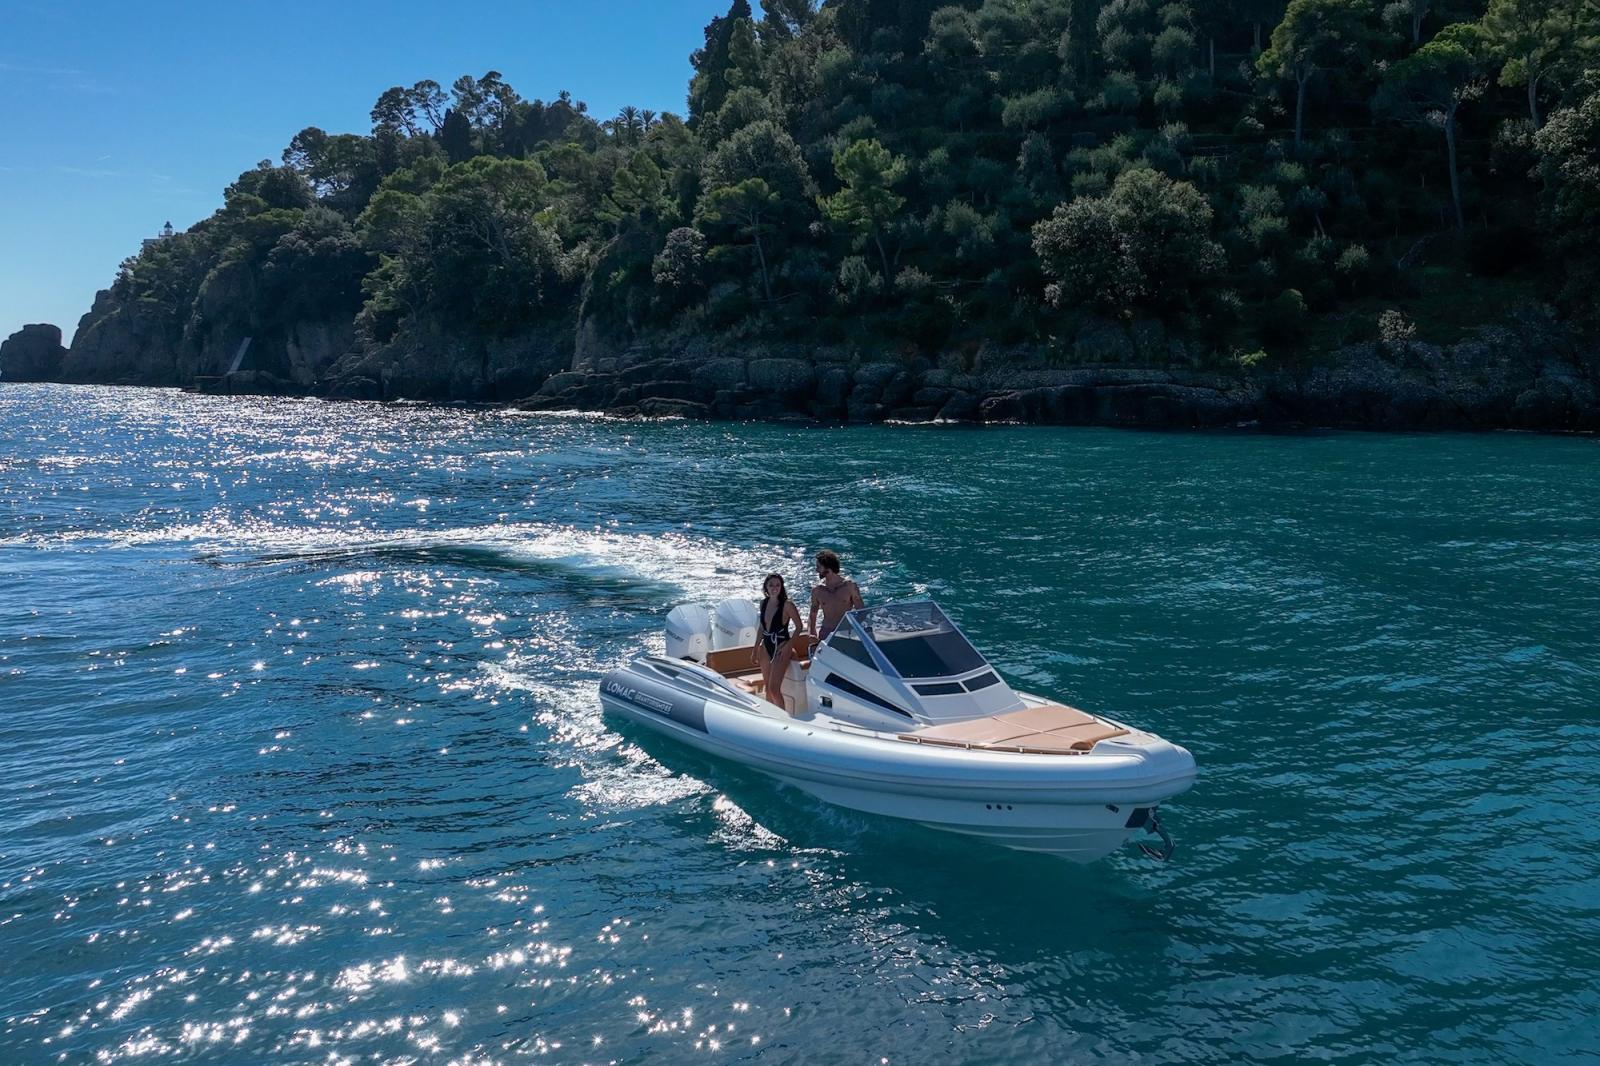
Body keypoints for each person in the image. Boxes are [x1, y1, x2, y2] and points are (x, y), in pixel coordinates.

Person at [752, 573, 803, 710]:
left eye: (777, 585)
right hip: (766, 646)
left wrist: (789, 647)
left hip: (781, 646)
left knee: (774, 689)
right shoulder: (763, 603)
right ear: (766, 587)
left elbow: (799, 627)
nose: (774, 588)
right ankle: (771, 717)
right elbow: (762, 627)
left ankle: (784, 718)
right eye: (771, 585)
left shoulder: (787, 605)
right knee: (767, 688)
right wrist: (755, 649)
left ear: (781, 587)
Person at [808, 549, 864, 641]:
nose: (816, 570)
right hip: (826, 632)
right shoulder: (817, 590)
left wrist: (856, 629)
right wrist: (812, 633)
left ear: (828, 568)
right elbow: (813, 614)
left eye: (819, 567)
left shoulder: (849, 586)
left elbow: (861, 611)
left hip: (847, 632)